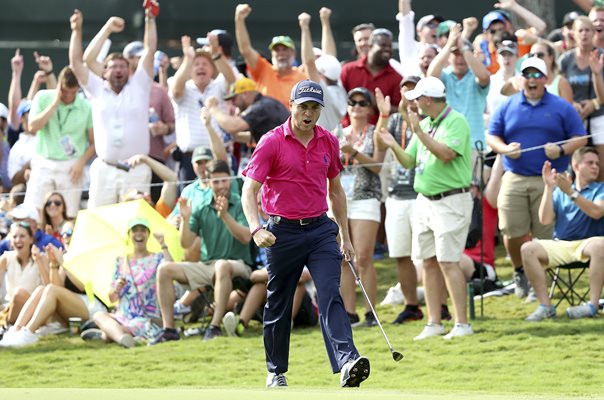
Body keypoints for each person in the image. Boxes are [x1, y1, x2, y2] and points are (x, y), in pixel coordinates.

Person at [241, 80, 369, 388]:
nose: (309, 114)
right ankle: (275, 370)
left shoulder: (327, 141)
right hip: (280, 232)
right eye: (303, 107)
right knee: (279, 302)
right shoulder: (272, 141)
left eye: (314, 108)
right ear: (291, 106)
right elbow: (249, 190)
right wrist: (256, 228)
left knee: (329, 293)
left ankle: (346, 362)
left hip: (320, 229)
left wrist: (345, 236)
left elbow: (336, 191)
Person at [378, 76, 474, 340]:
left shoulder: (455, 121)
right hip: (425, 200)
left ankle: (462, 323)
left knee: (448, 262)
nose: (413, 103)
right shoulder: (427, 123)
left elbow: (446, 154)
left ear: (428, 100)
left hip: (451, 199)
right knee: (429, 262)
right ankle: (434, 322)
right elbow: (409, 161)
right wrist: (392, 143)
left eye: (416, 99)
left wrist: (418, 131)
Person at [487, 57, 587, 299]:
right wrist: (505, 148)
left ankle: (540, 282)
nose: (531, 80)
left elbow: (581, 138)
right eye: (527, 75)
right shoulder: (508, 105)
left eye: (536, 75)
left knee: (545, 233)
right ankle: (520, 270)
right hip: (515, 175)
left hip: (550, 179)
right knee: (510, 230)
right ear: (521, 79)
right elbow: (492, 136)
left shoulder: (560, 107)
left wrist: (562, 149)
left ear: (545, 79)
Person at [153, 160, 253, 344]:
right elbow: (186, 243)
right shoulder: (200, 206)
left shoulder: (240, 203)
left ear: (230, 180)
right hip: (208, 266)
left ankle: (214, 327)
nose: (221, 185)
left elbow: (246, 237)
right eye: (216, 182)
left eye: (224, 180)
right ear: (208, 183)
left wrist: (225, 216)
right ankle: (169, 330)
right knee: (164, 269)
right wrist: (185, 218)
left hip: (240, 265)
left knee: (222, 265)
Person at [69, 9, 157, 207]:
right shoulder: (96, 89)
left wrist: (149, 19)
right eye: (113, 66)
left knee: (136, 224)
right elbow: (77, 63)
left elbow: (150, 50)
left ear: (129, 70)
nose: (118, 70)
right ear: (104, 71)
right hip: (105, 169)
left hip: (136, 170)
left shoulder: (140, 86)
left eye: (123, 66)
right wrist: (77, 30)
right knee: (101, 223)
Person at [522, 147, 604, 321]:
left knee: (600, 245)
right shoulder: (562, 191)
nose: (595, 167)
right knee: (527, 248)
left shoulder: (600, 189)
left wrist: (571, 193)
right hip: (561, 245)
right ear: (576, 165)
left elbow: (597, 212)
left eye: (597, 163)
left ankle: (592, 305)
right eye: (590, 163)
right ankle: (546, 306)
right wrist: (548, 188)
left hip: (590, 244)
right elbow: (544, 219)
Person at [337, 87, 385, 327]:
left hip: (366, 197)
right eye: (352, 102)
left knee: (364, 257)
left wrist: (352, 152)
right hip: (341, 199)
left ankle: (370, 312)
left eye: (362, 102)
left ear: (369, 108)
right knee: (344, 258)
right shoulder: (339, 134)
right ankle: (349, 313)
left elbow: (377, 165)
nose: (356, 106)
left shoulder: (375, 133)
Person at [0, 243, 106, 347]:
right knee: (41, 289)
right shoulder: (68, 259)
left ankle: (29, 332)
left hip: (92, 306)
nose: (66, 238)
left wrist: (62, 263)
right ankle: (16, 330)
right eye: (64, 236)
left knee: (50, 289)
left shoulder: (89, 259)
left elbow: (86, 288)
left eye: (69, 235)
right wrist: (53, 264)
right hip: (72, 310)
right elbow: (57, 287)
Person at [87, 217, 171, 348]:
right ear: (129, 235)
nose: (139, 234)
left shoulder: (157, 258)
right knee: (98, 315)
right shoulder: (121, 261)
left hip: (144, 317)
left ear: (148, 234)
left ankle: (107, 333)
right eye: (135, 230)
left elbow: (170, 268)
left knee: (117, 329)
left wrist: (163, 244)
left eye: (143, 230)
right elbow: (112, 298)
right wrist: (117, 288)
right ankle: (120, 338)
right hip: (122, 316)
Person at [26, 66, 94, 218]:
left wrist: (81, 162)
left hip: (71, 166)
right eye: (64, 91)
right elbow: (32, 127)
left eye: (73, 92)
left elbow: (94, 142)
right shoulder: (43, 97)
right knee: (34, 212)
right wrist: (54, 104)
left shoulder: (86, 106)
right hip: (44, 161)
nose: (68, 96)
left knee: (69, 214)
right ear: (58, 86)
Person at [168, 34, 233, 186]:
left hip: (216, 157)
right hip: (189, 160)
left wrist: (216, 54)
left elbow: (231, 80)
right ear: (189, 69)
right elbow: (176, 91)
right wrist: (188, 59)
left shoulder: (219, 86)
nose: (200, 67)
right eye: (196, 64)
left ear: (213, 69)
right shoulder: (183, 87)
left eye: (205, 63)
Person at [428, 23, 490, 148]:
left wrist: (463, 48)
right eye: (455, 54)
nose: (460, 59)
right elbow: (431, 77)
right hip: (446, 144)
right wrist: (449, 44)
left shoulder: (475, 75)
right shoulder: (445, 75)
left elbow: (484, 77)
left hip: (473, 145)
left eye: (462, 54)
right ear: (449, 57)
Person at [234, 3, 307, 108]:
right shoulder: (263, 69)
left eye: (285, 49)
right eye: (277, 50)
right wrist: (239, 19)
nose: (281, 53)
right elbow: (245, 50)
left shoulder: (302, 79)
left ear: (293, 53)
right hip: (264, 123)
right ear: (272, 53)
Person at [559, 16, 604, 180]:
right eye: (580, 30)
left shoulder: (601, 56)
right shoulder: (565, 59)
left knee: (600, 166)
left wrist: (594, 103)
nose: (584, 34)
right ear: (573, 34)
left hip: (600, 115)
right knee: (575, 164)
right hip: (574, 115)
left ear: (593, 33)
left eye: (587, 30)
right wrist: (572, 105)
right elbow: (558, 86)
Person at [340, 28, 402, 126]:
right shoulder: (348, 70)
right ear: (370, 46)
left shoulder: (397, 78)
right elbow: (337, 100)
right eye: (383, 45)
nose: (387, 49)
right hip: (348, 132)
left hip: (379, 135)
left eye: (390, 46)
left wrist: (378, 104)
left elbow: (401, 111)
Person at [299, 11, 347, 132]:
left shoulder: (323, 92)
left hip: (324, 144)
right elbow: (330, 56)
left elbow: (309, 63)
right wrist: (325, 21)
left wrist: (304, 27)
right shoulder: (338, 83)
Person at [206, 77, 289, 144]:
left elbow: (232, 126)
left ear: (245, 94)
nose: (233, 103)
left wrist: (213, 108)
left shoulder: (260, 107)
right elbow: (259, 137)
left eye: (234, 99)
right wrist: (234, 136)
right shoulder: (265, 103)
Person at [0, 222, 49, 327]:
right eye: (14, 237)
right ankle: (7, 323)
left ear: (31, 239)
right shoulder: (6, 257)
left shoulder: (42, 257)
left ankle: (7, 325)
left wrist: (39, 260)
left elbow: (49, 286)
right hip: (10, 308)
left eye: (22, 236)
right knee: (16, 295)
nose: (18, 240)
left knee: (19, 293)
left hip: (34, 308)